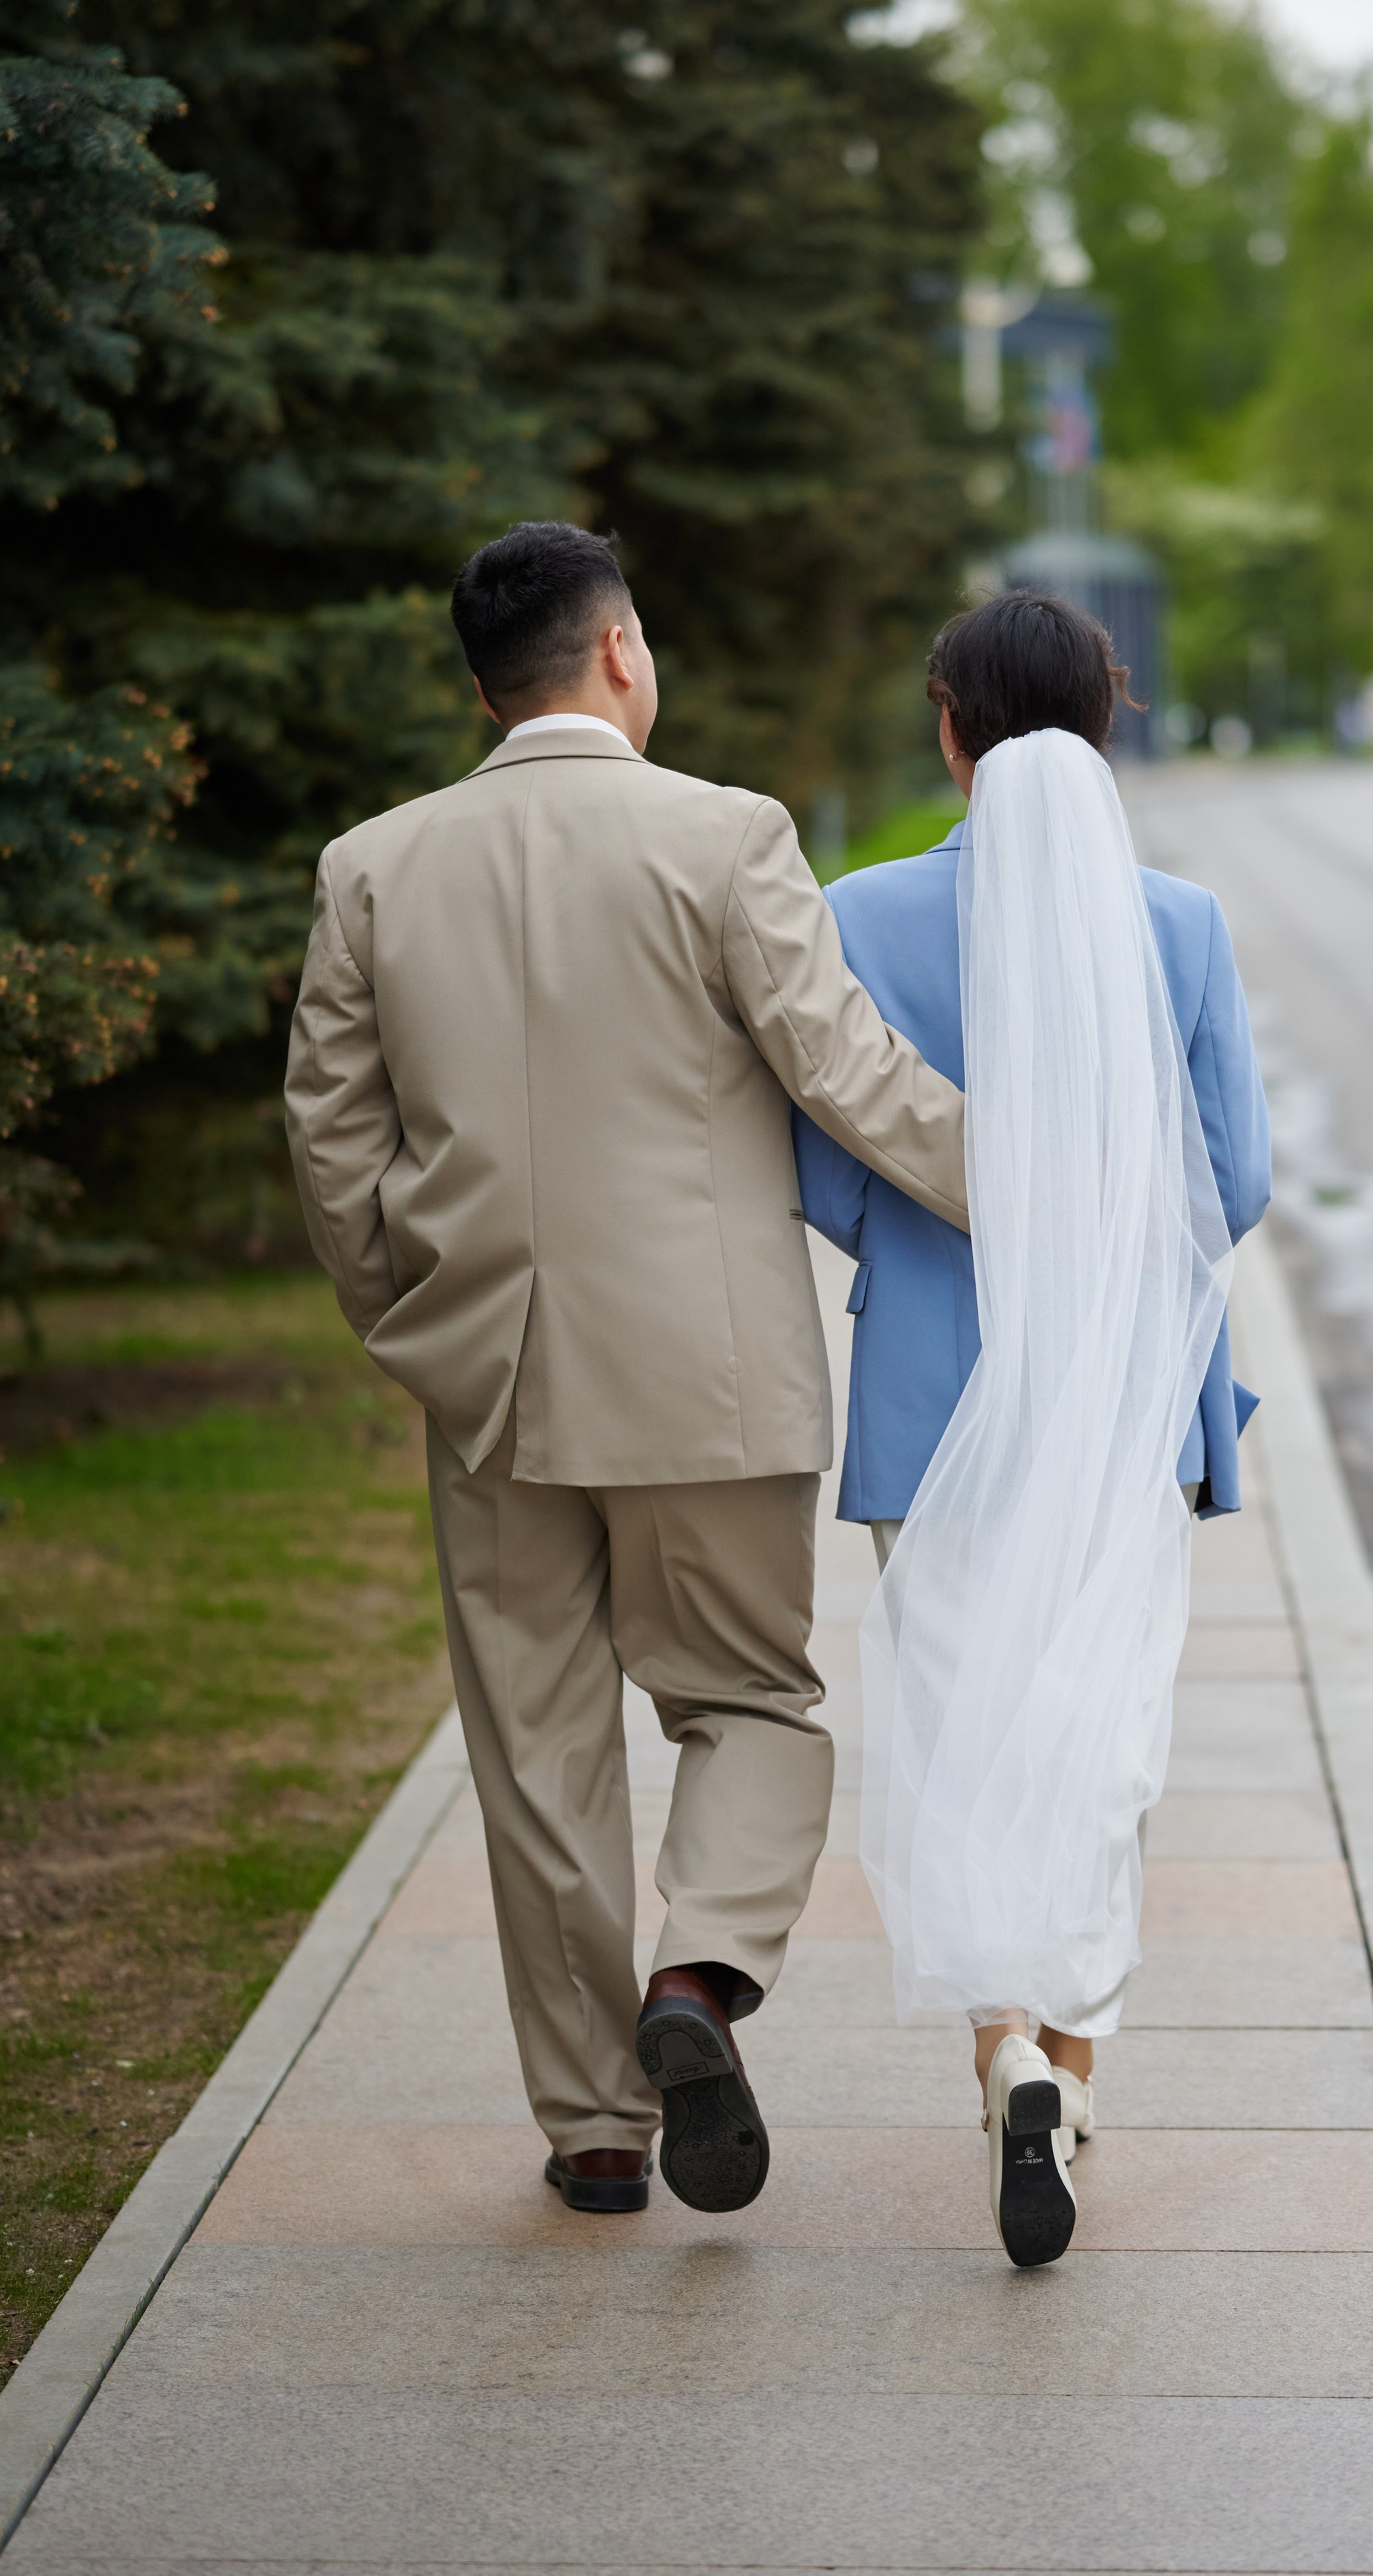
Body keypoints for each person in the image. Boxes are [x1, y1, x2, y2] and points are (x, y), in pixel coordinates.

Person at [285, 521, 970, 2219]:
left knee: (535, 1748)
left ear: (479, 691)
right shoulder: (725, 836)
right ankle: (700, 1977)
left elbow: (329, 1136)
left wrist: (413, 1324)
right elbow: (846, 1074)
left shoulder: (371, 866)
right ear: (618, 653)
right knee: (745, 1698)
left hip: (488, 1382)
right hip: (707, 1374)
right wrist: (1047, 1188)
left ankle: (594, 2128)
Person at [793, 592, 1271, 2266]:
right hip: (1129, 1405)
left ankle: (996, 2038)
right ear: (1108, 717)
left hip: (932, 1404)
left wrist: (938, 1263)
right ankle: (1064, 2073)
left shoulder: (860, 913)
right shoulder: (1183, 924)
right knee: (1093, 1735)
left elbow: (827, 1170)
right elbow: (1244, 1181)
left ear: (947, 727)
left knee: (954, 1723)